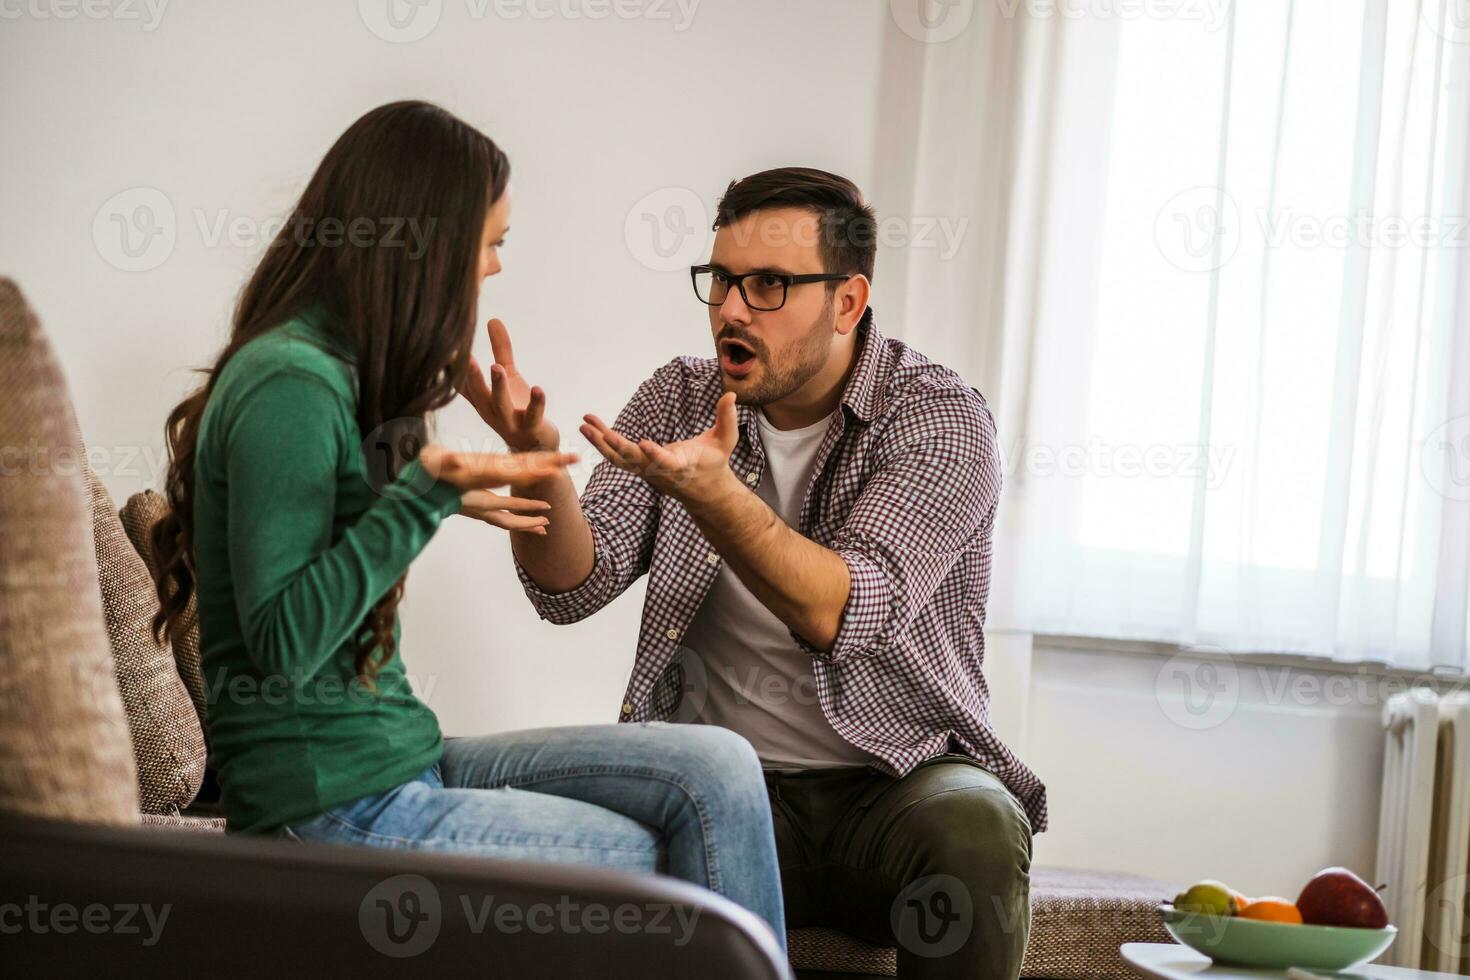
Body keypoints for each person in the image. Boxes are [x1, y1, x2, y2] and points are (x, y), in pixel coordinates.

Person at [148, 100, 784, 944]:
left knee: (719, 769)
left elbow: (549, 578)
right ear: (424, 243)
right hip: (325, 806)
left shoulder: (340, 371)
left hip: (403, 757)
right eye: (491, 243)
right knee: (652, 863)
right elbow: (280, 643)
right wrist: (422, 498)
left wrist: (447, 485)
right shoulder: (290, 383)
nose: (491, 268)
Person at [468, 167, 1045, 978]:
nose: (733, 310)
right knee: (573, 840)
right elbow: (572, 586)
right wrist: (537, 464)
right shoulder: (678, 397)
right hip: (722, 786)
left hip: (893, 783)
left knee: (977, 827)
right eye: (722, 281)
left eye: (769, 285)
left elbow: (841, 610)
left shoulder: (938, 417)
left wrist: (715, 497)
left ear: (847, 301)